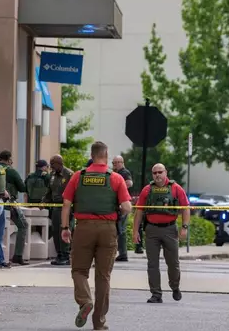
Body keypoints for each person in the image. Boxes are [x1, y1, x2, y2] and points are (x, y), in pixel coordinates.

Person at [61, 141, 132, 330]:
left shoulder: (78, 176)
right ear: (106, 156)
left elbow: (66, 204)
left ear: (92, 156)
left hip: (83, 228)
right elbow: (127, 207)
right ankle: (99, 323)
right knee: (103, 276)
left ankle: (85, 301)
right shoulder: (116, 178)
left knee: (79, 271)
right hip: (107, 229)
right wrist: (118, 213)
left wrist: (65, 228)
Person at [133, 163, 190, 304]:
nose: (157, 175)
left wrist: (184, 227)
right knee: (152, 264)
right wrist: (135, 231)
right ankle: (156, 293)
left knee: (173, 263)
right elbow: (139, 211)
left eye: (160, 172)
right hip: (151, 230)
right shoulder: (147, 190)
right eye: (154, 173)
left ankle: (175, 287)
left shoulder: (176, 188)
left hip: (170, 229)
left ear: (166, 172)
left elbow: (186, 208)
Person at [0, 150, 27, 267]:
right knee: (23, 225)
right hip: (9, 203)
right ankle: (18, 255)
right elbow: (22, 187)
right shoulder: (11, 171)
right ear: (9, 159)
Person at [45, 154, 74, 266]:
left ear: (59, 163)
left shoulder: (69, 174)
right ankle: (60, 254)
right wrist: (44, 201)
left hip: (66, 208)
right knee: (56, 231)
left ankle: (66, 255)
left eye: (53, 164)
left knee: (64, 229)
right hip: (55, 208)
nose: (51, 167)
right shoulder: (52, 175)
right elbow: (49, 191)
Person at [112, 155, 133, 262]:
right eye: (113, 163)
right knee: (119, 229)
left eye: (116, 163)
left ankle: (123, 253)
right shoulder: (117, 173)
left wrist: (119, 187)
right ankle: (121, 253)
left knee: (121, 230)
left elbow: (129, 183)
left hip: (123, 204)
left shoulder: (124, 172)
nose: (114, 165)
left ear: (121, 162)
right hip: (120, 203)